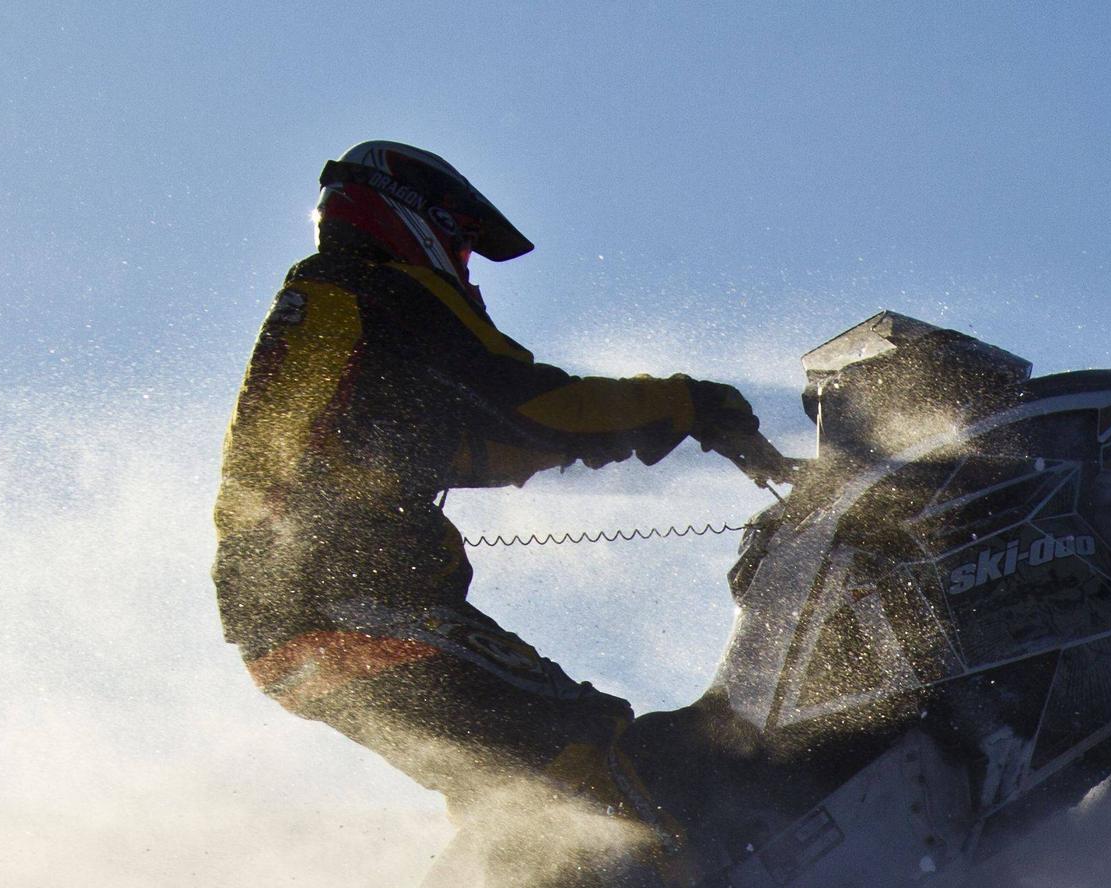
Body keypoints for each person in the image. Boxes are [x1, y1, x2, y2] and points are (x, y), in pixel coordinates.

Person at [214, 142, 794, 836]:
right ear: (411, 218)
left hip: (285, 634)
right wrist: (690, 404)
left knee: (508, 787)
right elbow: (528, 406)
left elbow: (491, 443)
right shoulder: (382, 289)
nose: (462, 267)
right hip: (352, 602)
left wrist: (650, 438)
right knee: (584, 739)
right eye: (460, 246)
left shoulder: (326, 313)